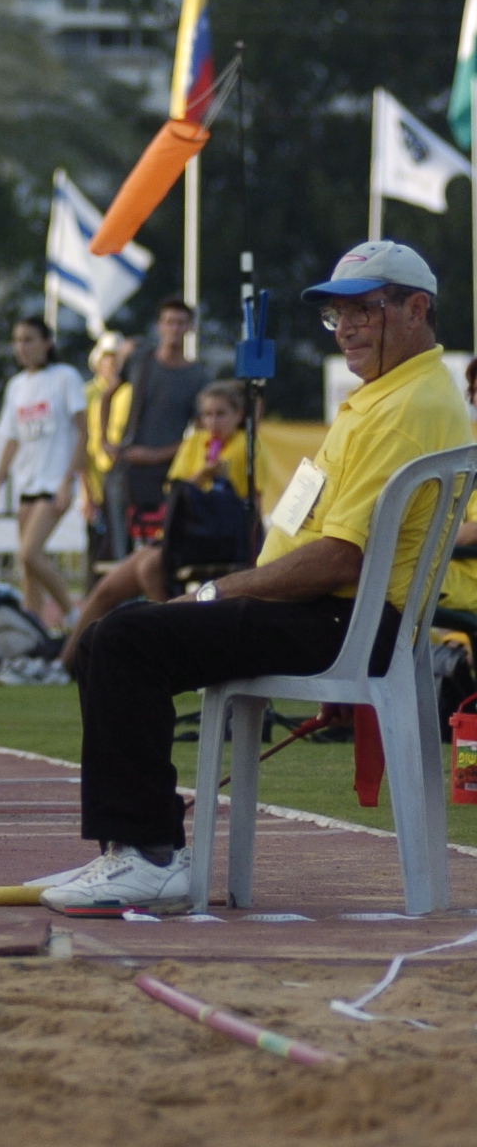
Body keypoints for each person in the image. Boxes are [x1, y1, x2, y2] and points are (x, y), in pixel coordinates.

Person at [44, 242, 468, 916]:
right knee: (109, 635)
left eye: (365, 308)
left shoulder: (406, 406)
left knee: (123, 639)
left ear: (417, 309)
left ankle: (151, 855)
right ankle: (134, 849)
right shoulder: (393, 394)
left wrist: (216, 590)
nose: (349, 326)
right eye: (337, 314)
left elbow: (340, 559)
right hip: (333, 611)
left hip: (340, 618)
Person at [60, 381, 256, 674]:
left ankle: (174, 651)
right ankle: (63, 665)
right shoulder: (194, 443)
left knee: (149, 569)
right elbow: (176, 491)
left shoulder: (246, 447)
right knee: (107, 588)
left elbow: (250, 503)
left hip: (216, 539)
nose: (213, 422)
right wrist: (202, 473)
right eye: (207, 415)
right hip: (182, 536)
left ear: (239, 414)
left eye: (221, 414)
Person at [0, 317, 86, 628]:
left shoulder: (65, 377)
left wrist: (68, 481)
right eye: (17, 340)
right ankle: (34, 630)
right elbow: (12, 439)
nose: (21, 347)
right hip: (27, 483)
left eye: (29, 339)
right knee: (27, 568)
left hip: (54, 482)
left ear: (47, 343)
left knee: (30, 553)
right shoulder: (16, 385)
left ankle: (73, 615)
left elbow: (84, 433)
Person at [106, 297, 211, 551]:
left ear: (190, 327)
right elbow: (108, 394)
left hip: (170, 468)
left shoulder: (197, 375)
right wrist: (104, 441)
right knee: (121, 545)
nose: (174, 329)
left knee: (161, 545)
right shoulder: (140, 360)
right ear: (159, 326)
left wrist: (156, 455)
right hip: (129, 465)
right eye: (169, 322)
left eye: (180, 323)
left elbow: (201, 431)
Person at [82, 332, 132, 569]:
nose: (111, 364)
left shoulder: (130, 391)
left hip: (123, 473)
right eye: (107, 358)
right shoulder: (87, 394)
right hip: (97, 476)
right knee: (99, 546)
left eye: (116, 359)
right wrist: (86, 491)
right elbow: (83, 444)